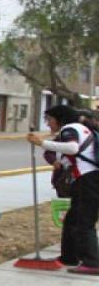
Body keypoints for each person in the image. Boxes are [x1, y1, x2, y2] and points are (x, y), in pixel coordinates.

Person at [27, 105, 99, 274]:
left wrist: (42, 143)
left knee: (84, 222)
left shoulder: (70, 128)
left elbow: (73, 148)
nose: (48, 124)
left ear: (59, 118)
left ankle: (93, 263)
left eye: (49, 119)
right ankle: (69, 257)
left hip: (88, 180)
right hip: (86, 180)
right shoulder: (80, 128)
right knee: (72, 220)